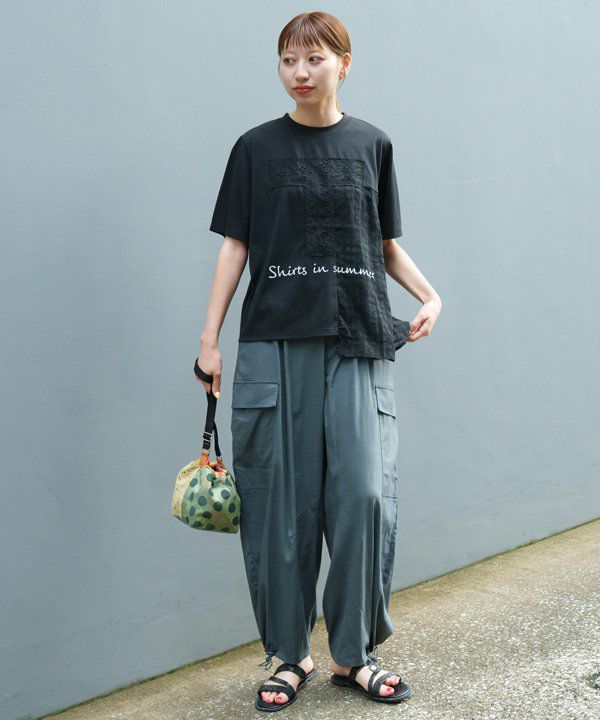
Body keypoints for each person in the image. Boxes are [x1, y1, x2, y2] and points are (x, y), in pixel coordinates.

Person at [196, 10, 442, 712]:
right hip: (275, 343)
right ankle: (289, 655)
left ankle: (353, 654)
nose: (299, 73)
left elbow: (382, 242)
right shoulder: (256, 148)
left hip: (357, 337)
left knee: (364, 495)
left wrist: (429, 294)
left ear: (344, 63)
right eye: (287, 60)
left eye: (313, 59)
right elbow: (236, 245)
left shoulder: (372, 144)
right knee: (281, 506)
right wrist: (210, 340)